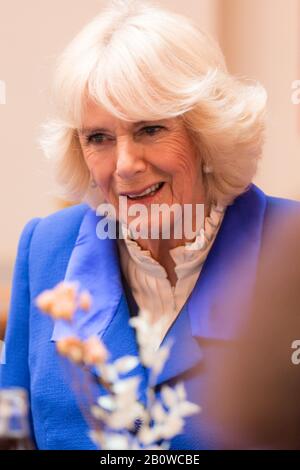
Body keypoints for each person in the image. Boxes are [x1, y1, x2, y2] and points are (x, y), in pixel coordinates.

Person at [1, 0, 299, 450]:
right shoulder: (47, 246)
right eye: (98, 137)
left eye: (151, 129)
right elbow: (14, 433)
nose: (125, 165)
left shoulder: (289, 250)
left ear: (205, 132)